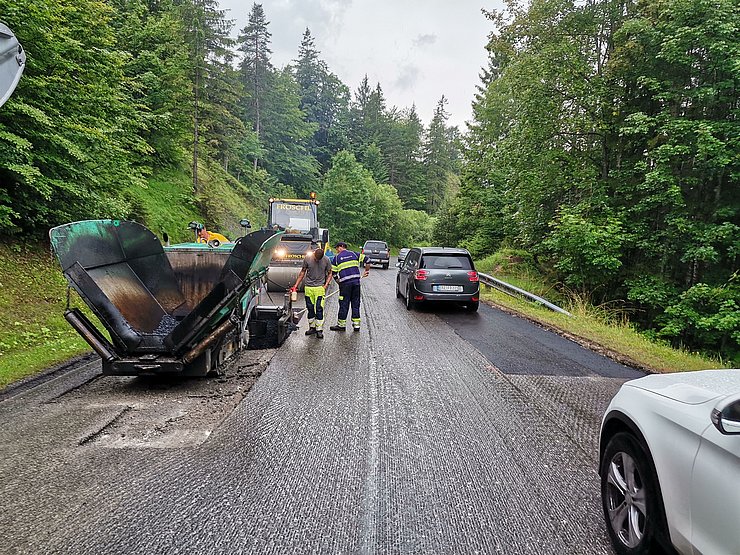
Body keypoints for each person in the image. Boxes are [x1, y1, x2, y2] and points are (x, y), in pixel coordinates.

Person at [292, 247, 333, 339]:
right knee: (310, 308)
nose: (316, 260)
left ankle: (319, 329)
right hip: (309, 287)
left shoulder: (326, 260)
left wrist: (326, 285)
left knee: (319, 308)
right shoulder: (307, 258)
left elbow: (330, 273)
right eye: (315, 258)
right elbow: (302, 272)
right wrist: (296, 285)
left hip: (319, 288)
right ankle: (312, 327)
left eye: (318, 259)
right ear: (314, 254)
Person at [329, 241, 370, 332]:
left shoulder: (336, 258)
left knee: (344, 304)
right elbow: (367, 260)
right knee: (356, 303)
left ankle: (341, 325)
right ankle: (356, 326)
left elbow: (334, 273)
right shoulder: (354, 254)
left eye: (337, 248)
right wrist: (366, 271)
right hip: (356, 284)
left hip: (345, 285)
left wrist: (338, 282)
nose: (336, 250)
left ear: (342, 247)